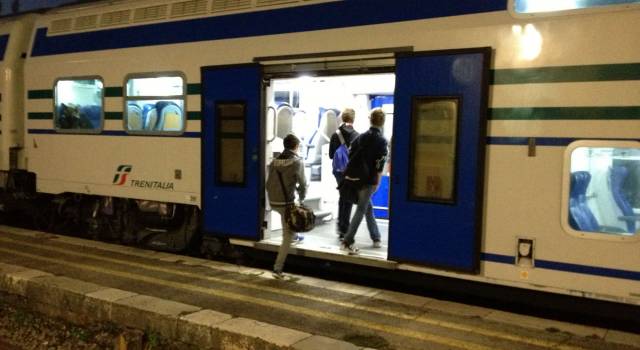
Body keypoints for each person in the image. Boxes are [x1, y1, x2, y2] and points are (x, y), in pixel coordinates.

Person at [341, 108, 388, 254]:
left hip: (355, 177)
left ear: (370, 120)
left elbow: (350, 152)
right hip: (368, 180)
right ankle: (347, 240)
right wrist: (377, 181)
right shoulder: (382, 141)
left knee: (367, 207)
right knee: (361, 209)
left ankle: (376, 237)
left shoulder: (360, 137)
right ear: (383, 122)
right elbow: (380, 164)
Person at [266, 134, 308, 279]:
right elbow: (303, 184)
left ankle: (295, 234)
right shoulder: (297, 162)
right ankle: (277, 268)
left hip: (273, 201)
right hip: (285, 203)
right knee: (286, 237)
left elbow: (268, 182)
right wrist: (302, 200)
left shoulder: (274, 162)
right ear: (296, 146)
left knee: (289, 221)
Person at [328, 108, 359, 240]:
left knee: (342, 195)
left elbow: (331, 155)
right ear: (353, 119)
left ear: (342, 118)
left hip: (338, 172)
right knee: (349, 197)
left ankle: (341, 227)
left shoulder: (336, 134)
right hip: (351, 171)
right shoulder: (357, 135)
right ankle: (344, 228)